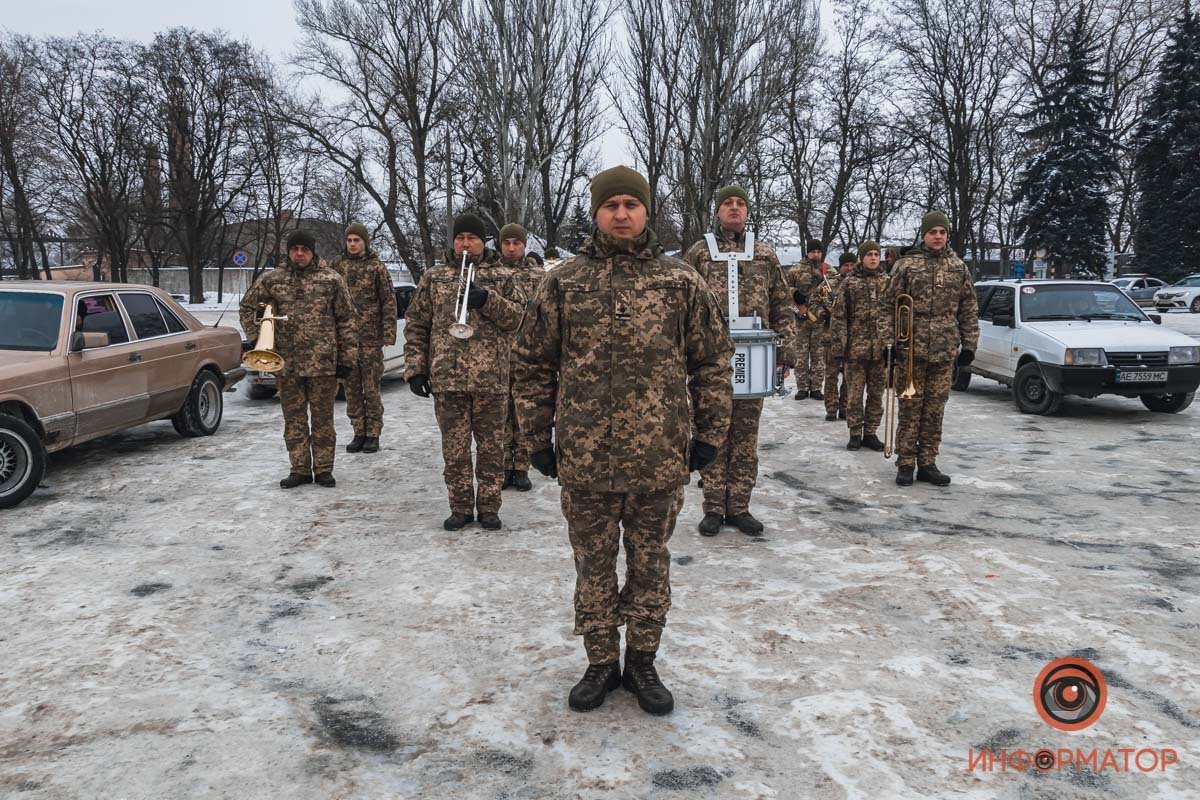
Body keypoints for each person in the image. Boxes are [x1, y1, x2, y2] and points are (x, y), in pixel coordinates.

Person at [513, 166, 733, 716]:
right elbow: (533, 364)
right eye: (610, 205)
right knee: (592, 561)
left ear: (646, 212)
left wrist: (709, 434)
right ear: (596, 214)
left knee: (649, 560)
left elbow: (712, 362)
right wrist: (537, 438)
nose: (620, 214)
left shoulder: (680, 282)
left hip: (660, 457)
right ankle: (600, 661)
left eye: (630, 205)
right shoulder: (563, 281)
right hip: (585, 456)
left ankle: (641, 659)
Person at [682, 185, 797, 536]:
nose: (734, 208)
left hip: (755, 356)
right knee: (714, 431)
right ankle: (714, 506)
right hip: (711, 358)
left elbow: (782, 302)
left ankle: (740, 506)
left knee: (746, 436)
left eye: (740, 203)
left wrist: (787, 351)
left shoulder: (763, 254)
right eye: (727, 204)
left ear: (747, 212)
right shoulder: (700, 252)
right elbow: (682, 303)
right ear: (717, 211)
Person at [404, 213, 527, 530]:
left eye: (472, 238)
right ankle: (460, 507)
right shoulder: (434, 277)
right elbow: (417, 324)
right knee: (455, 452)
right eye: (460, 238)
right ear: (453, 241)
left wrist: (487, 299)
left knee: (491, 450)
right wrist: (416, 369)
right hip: (448, 379)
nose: (465, 243)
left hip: (492, 380)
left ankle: (489, 507)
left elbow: (519, 319)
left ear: (482, 241)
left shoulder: (502, 275)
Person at [240, 229, 357, 488]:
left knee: (323, 419)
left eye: (304, 249)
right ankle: (300, 468)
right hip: (286, 363)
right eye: (295, 249)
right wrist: (256, 338)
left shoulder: (331, 279)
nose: (300, 253)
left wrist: (347, 358)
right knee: (293, 419)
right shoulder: (273, 279)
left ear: (313, 250)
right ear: (288, 251)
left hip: (323, 363)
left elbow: (347, 320)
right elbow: (248, 306)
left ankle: (324, 468)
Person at [883, 211, 980, 486]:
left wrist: (969, 345)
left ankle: (927, 462)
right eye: (932, 232)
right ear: (924, 235)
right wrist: (887, 343)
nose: (938, 237)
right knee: (910, 408)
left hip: (944, 350)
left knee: (935, 410)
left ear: (947, 235)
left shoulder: (958, 267)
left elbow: (969, 308)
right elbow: (887, 305)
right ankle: (905, 463)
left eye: (942, 232)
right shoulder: (907, 265)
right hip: (910, 350)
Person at [331, 223, 397, 454]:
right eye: (349, 240)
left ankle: (373, 433)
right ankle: (358, 431)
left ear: (365, 242)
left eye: (357, 240)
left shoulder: (376, 267)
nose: (352, 244)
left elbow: (388, 301)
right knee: (351, 389)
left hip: (370, 338)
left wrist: (388, 333)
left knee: (370, 388)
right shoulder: (337, 266)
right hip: (346, 340)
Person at [497, 222, 545, 492]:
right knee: (501, 413)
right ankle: (504, 465)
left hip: (528, 352)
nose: (512, 248)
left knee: (525, 411)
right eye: (507, 243)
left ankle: (522, 466)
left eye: (516, 243)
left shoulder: (538, 276)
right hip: (499, 353)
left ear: (525, 245)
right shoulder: (492, 274)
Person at [830, 241, 888, 451]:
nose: (873, 258)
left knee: (876, 394)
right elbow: (839, 318)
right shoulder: (850, 283)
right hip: (855, 350)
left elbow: (893, 315)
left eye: (876, 254)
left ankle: (870, 432)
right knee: (854, 395)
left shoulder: (887, 282)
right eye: (869, 254)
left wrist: (893, 345)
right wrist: (839, 349)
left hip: (880, 351)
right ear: (861, 258)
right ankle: (855, 432)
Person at [814, 252, 856, 421]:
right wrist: (821, 314)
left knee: (849, 375)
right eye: (846, 265)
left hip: (852, 338)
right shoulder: (828, 284)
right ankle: (831, 408)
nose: (850, 268)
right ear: (841, 266)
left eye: (853, 265)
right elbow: (814, 302)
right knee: (831, 374)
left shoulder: (857, 284)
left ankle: (845, 407)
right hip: (831, 336)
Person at [786, 240, 826, 400]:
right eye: (813, 251)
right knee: (801, 356)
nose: (815, 254)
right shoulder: (795, 270)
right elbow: (783, 288)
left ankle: (816, 387)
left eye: (818, 251)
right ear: (807, 252)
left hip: (820, 320)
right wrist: (794, 292)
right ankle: (802, 387)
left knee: (818, 355)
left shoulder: (827, 270)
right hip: (800, 319)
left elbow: (836, 289)